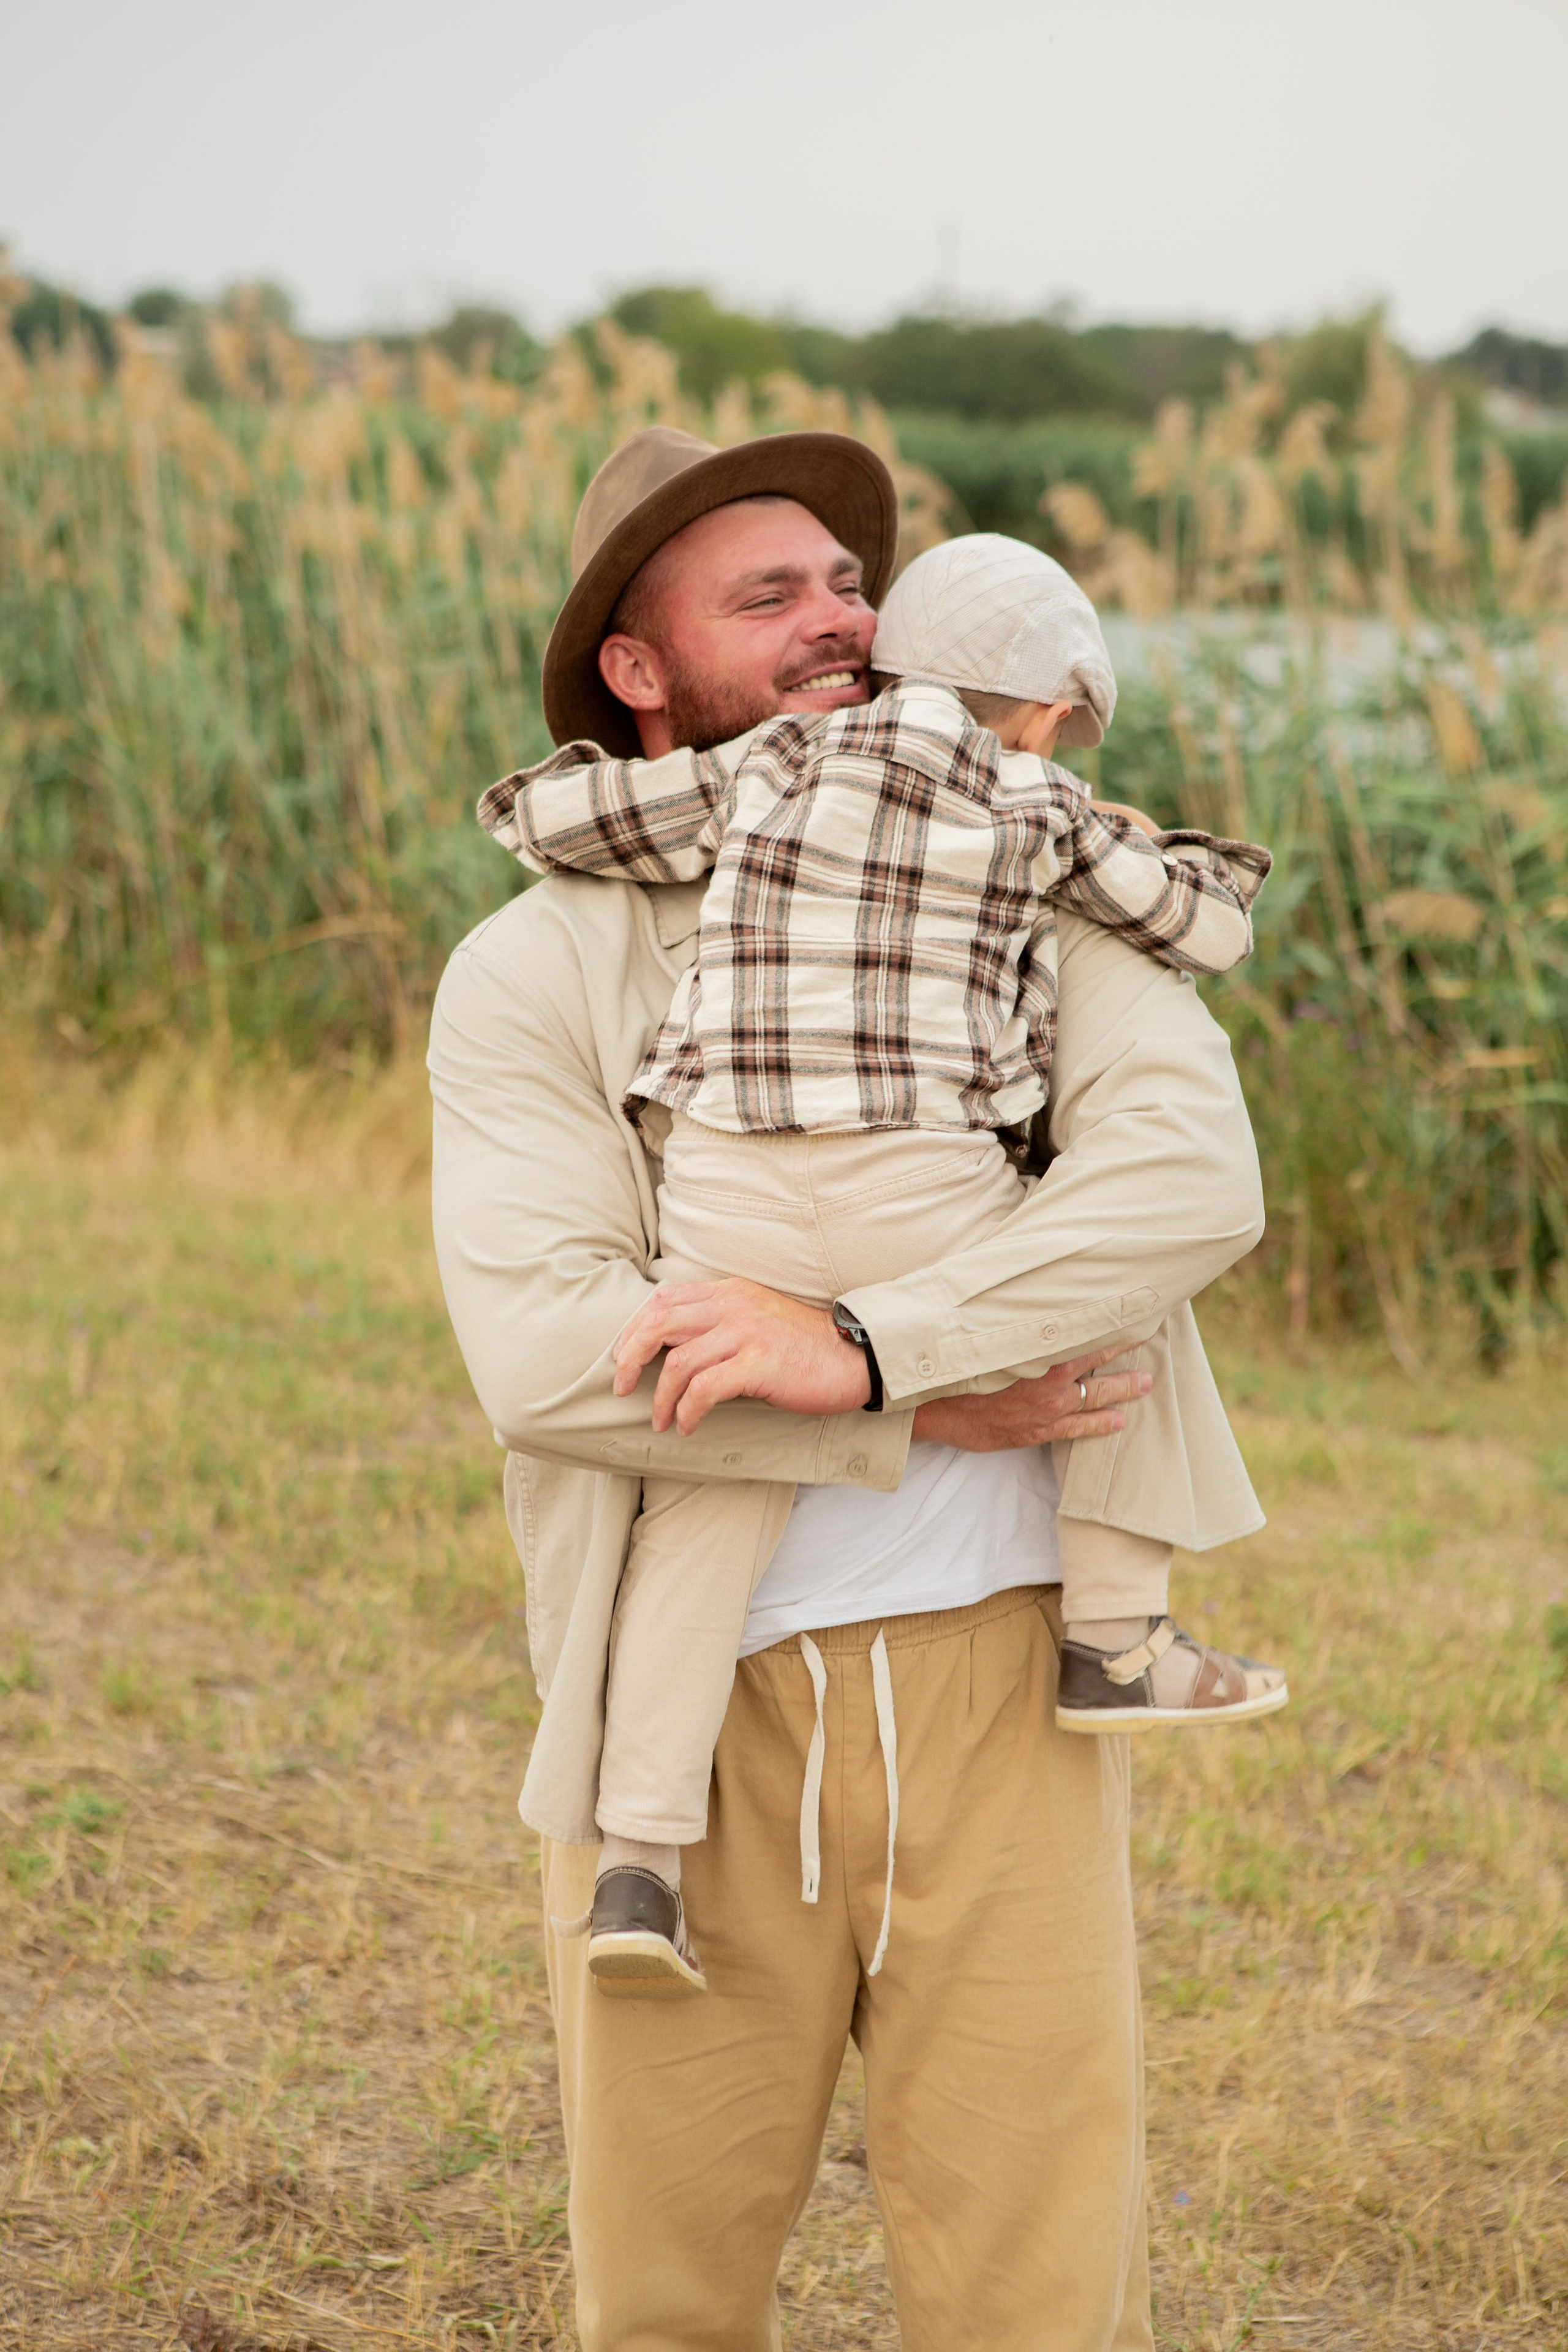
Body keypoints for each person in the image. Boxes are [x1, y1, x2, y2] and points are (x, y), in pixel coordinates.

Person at [428, 424, 1269, 2352]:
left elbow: (1189, 1182)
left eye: (846, 581)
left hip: (1008, 1684)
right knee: (667, 2298)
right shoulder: (531, 969)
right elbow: (551, 1356)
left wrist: (860, 1342)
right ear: (638, 674)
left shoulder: (1022, 866)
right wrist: (913, 1405)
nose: (842, 618)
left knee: (1044, 2295)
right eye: (770, 594)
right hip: (685, 1720)